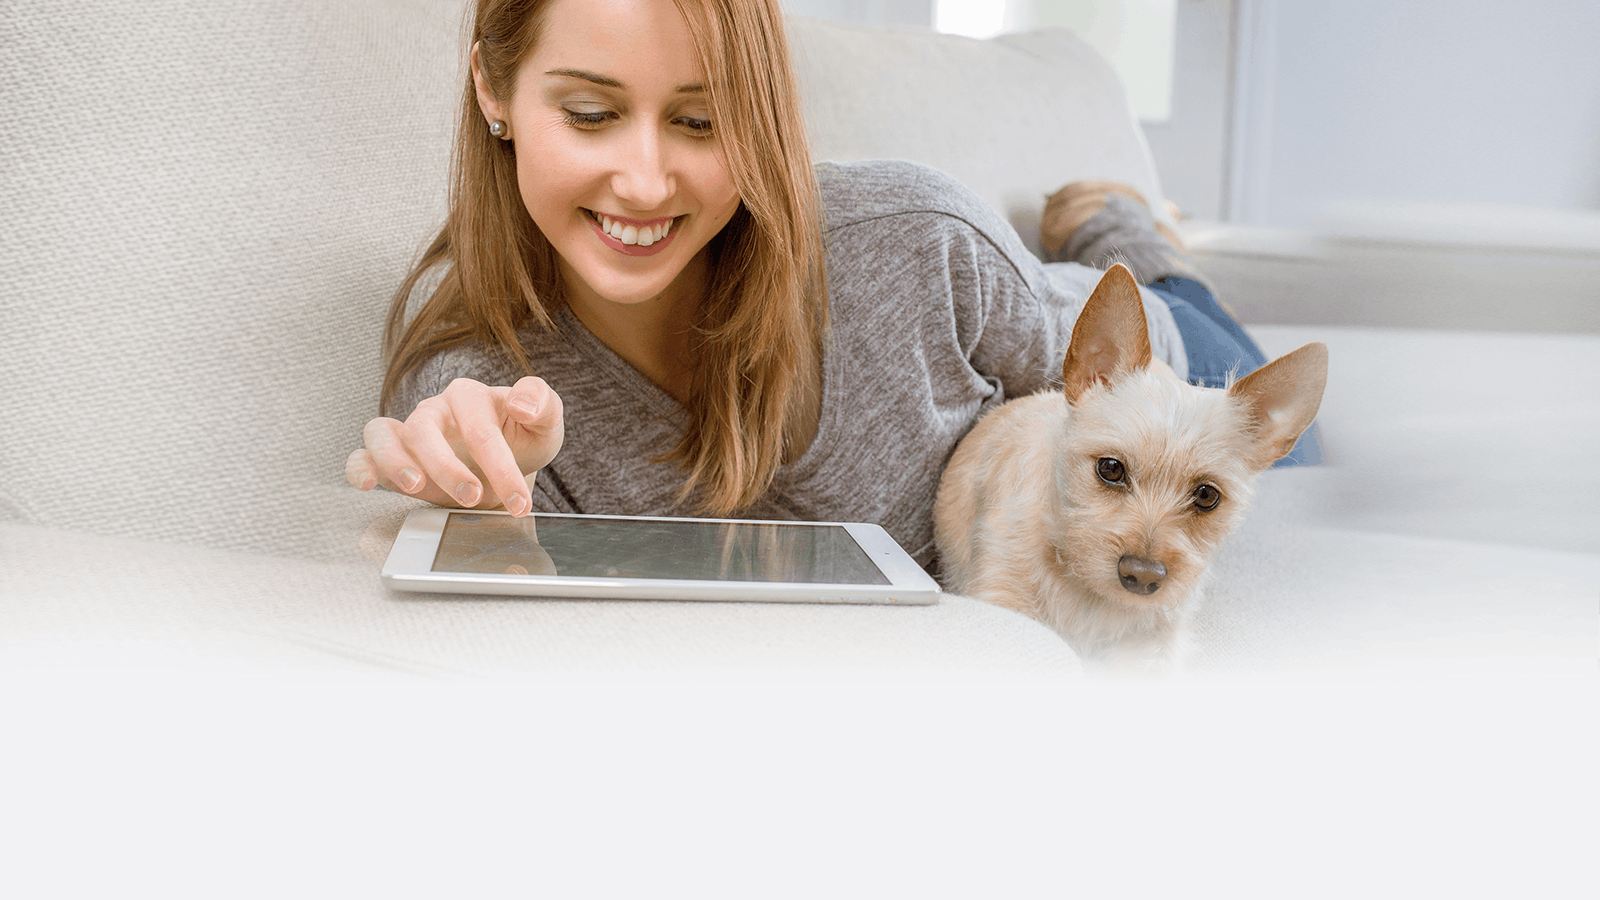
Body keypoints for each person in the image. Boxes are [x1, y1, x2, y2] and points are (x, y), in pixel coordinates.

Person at [344, 0, 1314, 574]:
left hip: (1160, 368)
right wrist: (485, 517)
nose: (643, 182)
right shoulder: (470, 400)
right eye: (591, 113)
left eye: (698, 123)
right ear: (493, 90)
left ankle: (1126, 231)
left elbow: (1113, 383)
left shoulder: (916, 239)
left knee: (1271, 405)